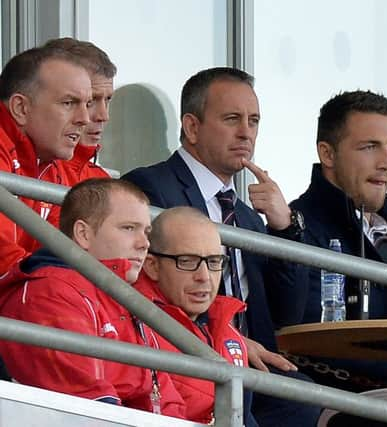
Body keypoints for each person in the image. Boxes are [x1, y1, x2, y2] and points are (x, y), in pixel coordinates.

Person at [122, 67, 319, 427]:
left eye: (254, 121)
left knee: (314, 401)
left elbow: (288, 312)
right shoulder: (149, 186)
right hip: (189, 361)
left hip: (250, 367)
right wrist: (226, 341)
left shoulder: (247, 215)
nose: (246, 132)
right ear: (192, 127)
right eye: (232, 119)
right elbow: (145, 289)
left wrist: (284, 226)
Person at [271, 90, 387, 391]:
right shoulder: (296, 228)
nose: (386, 162)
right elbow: (315, 342)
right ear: (327, 154)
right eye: (370, 147)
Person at [0, 178, 186, 418]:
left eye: (146, 232)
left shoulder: (129, 301)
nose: (144, 244)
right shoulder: (50, 292)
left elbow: (168, 403)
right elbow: (88, 409)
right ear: (83, 234)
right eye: (128, 228)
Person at [135, 206, 254, 425]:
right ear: (152, 266)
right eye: (187, 261)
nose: (204, 277)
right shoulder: (132, 325)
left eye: (214, 262)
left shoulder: (230, 334)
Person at [0, 44, 92, 274]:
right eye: (69, 103)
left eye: (87, 104)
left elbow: (60, 254)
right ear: (20, 108)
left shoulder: (51, 164)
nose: (85, 119)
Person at [43, 37, 116, 183]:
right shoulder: (23, 168)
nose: (103, 115)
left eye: (107, 100)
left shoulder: (101, 182)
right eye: (91, 101)